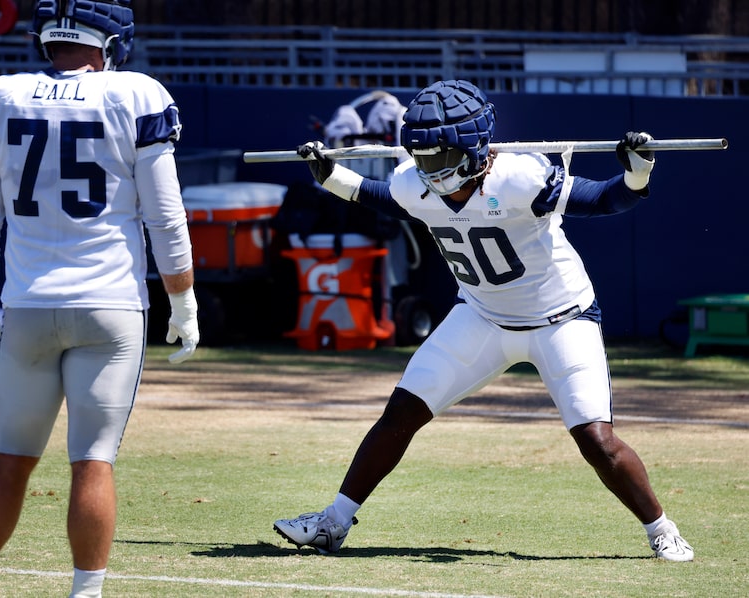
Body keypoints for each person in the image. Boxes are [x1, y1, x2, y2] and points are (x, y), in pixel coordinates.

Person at [273, 79, 693, 562]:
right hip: (481, 316)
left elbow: (602, 200)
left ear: (474, 150)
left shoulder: (518, 178)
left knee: (597, 440)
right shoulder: (416, 182)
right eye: (422, 158)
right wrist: (329, 175)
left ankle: (661, 529)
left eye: (439, 158)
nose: (429, 171)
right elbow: (382, 196)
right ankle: (333, 523)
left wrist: (638, 175)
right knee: (400, 415)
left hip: (561, 319)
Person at [0, 1, 200, 596]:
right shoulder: (136, 94)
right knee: (93, 460)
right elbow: (165, 219)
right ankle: (85, 594)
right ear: (108, 42)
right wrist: (184, 302)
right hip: (110, 305)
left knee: (11, 456)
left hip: (30, 304)